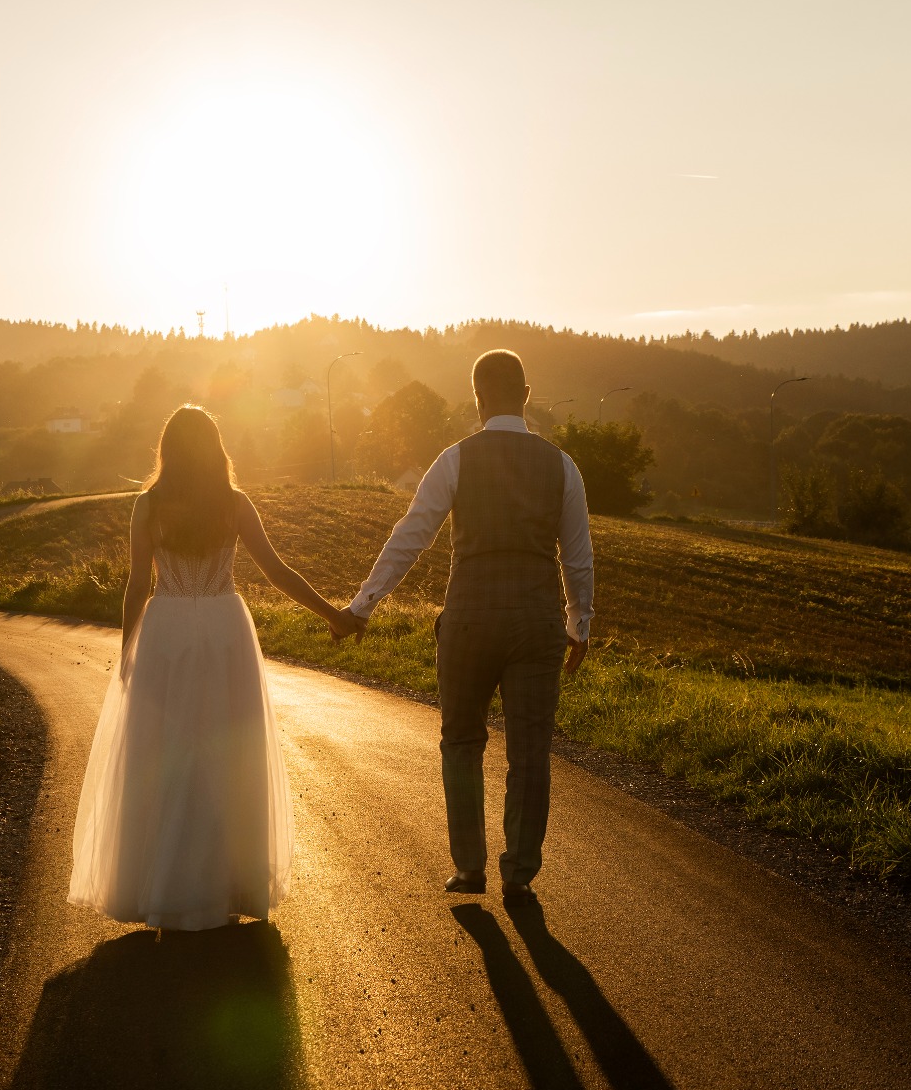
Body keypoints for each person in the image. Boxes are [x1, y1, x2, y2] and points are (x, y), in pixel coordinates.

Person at [69, 404, 356, 931]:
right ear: (216, 448)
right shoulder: (234, 504)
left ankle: (165, 887)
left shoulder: (147, 506)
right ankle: (226, 884)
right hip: (226, 632)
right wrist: (334, 614)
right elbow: (277, 571)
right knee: (229, 758)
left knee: (165, 756)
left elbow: (137, 586)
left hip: (167, 632)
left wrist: (128, 651)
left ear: (168, 451)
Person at [338, 349, 593, 904]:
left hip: (469, 619)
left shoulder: (453, 460)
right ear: (526, 394)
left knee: (460, 741)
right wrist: (580, 622)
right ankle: (519, 870)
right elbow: (577, 557)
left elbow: (412, 535)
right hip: (535, 621)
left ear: (477, 398)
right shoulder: (562, 466)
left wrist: (363, 606)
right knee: (529, 750)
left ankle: (469, 867)